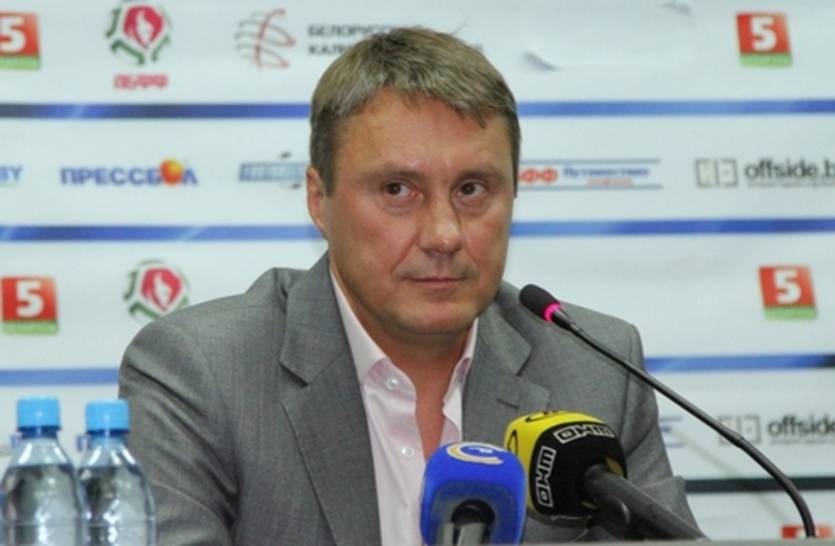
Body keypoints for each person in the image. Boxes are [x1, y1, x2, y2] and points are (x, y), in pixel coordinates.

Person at [119, 27, 696, 545]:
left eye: (472, 190)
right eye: (398, 190)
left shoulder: (594, 370)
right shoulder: (204, 373)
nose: (444, 234)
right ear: (320, 200)